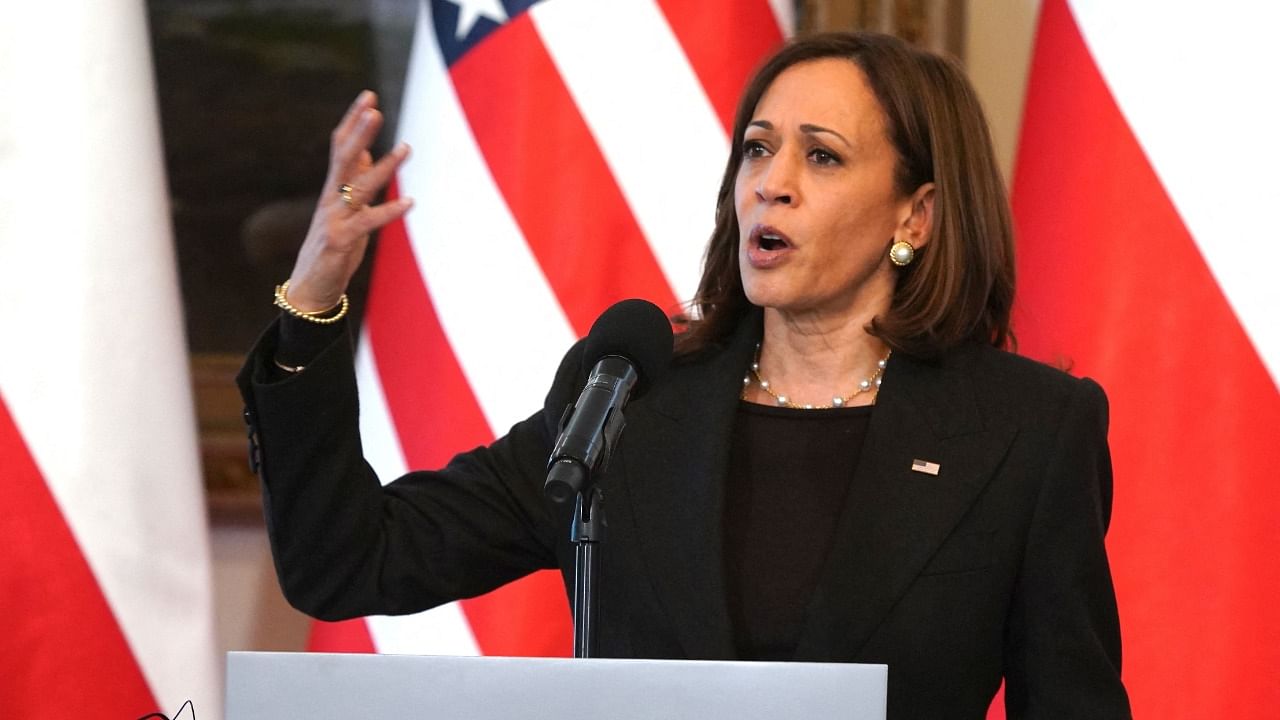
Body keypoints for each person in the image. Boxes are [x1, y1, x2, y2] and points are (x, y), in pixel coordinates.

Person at [238, 32, 1132, 719]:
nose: (769, 186)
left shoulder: (1024, 434)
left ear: (919, 213)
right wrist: (312, 305)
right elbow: (350, 563)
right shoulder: (630, 400)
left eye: (820, 156)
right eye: (756, 149)